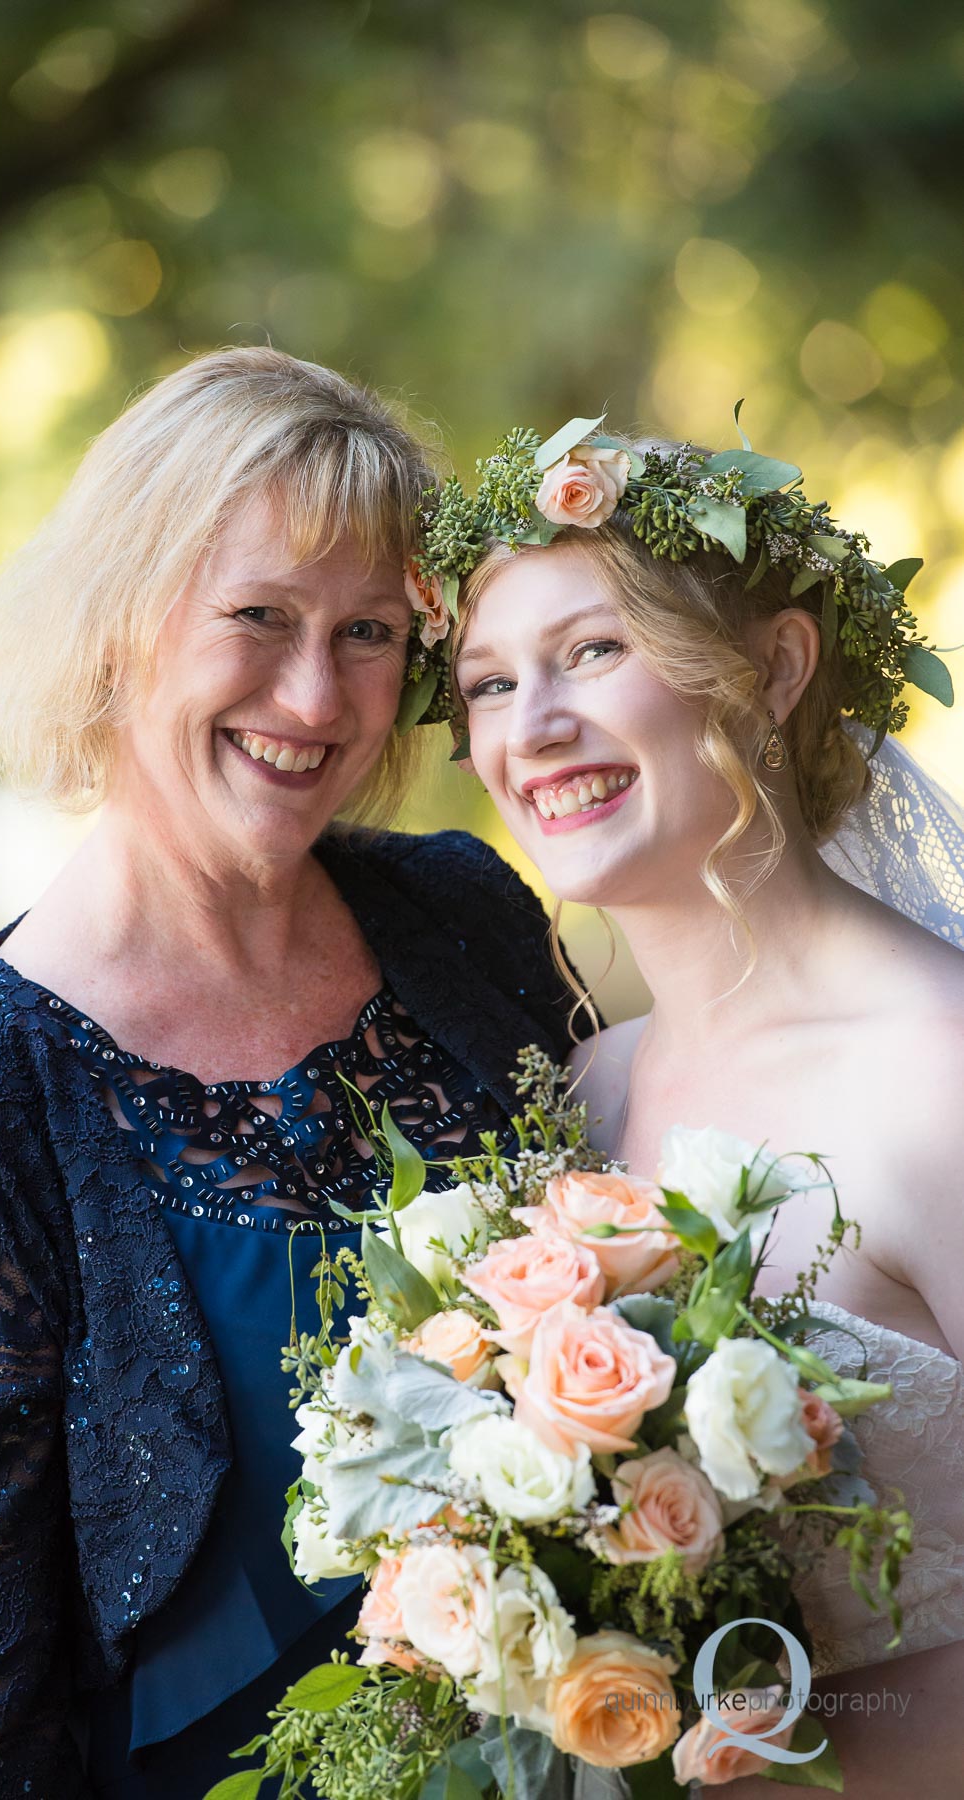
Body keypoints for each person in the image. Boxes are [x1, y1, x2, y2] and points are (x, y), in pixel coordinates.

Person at [0, 348, 591, 1800]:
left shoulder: (464, 920)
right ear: (116, 623)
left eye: (366, 631)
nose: (316, 694)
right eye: (257, 616)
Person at [434, 415, 964, 1798]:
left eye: (592, 653)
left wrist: (745, 1759)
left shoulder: (938, 1074)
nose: (531, 728)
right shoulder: (588, 1085)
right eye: (486, 685)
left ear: (774, 666)